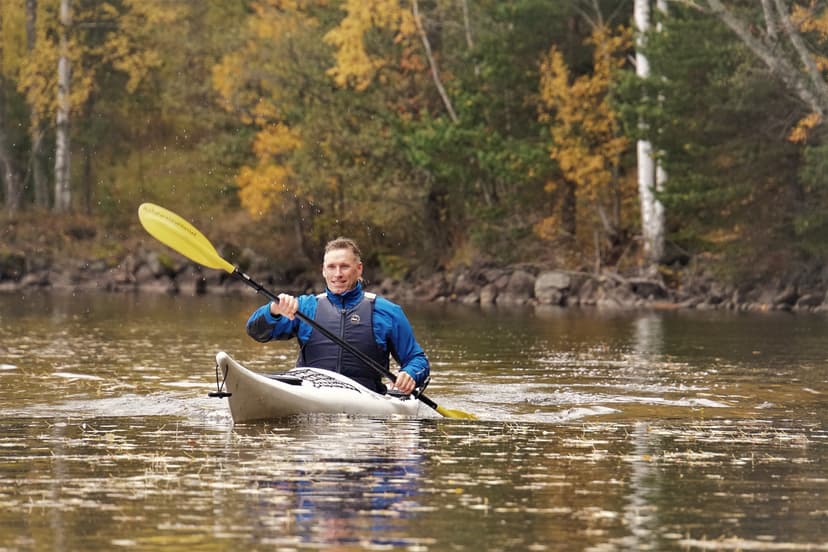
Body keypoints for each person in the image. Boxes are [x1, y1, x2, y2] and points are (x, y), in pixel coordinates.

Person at [246, 237, 430, 395]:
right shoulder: (304, 307)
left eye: (344, 267)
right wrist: (273, 310)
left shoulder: (387, 312)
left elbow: (417, 360)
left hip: (366, 397)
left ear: (359, 269)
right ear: (323, 270)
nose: (337, 274)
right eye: (331, 267)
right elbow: (255, 331)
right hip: (311, 392)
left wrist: (410, 374)